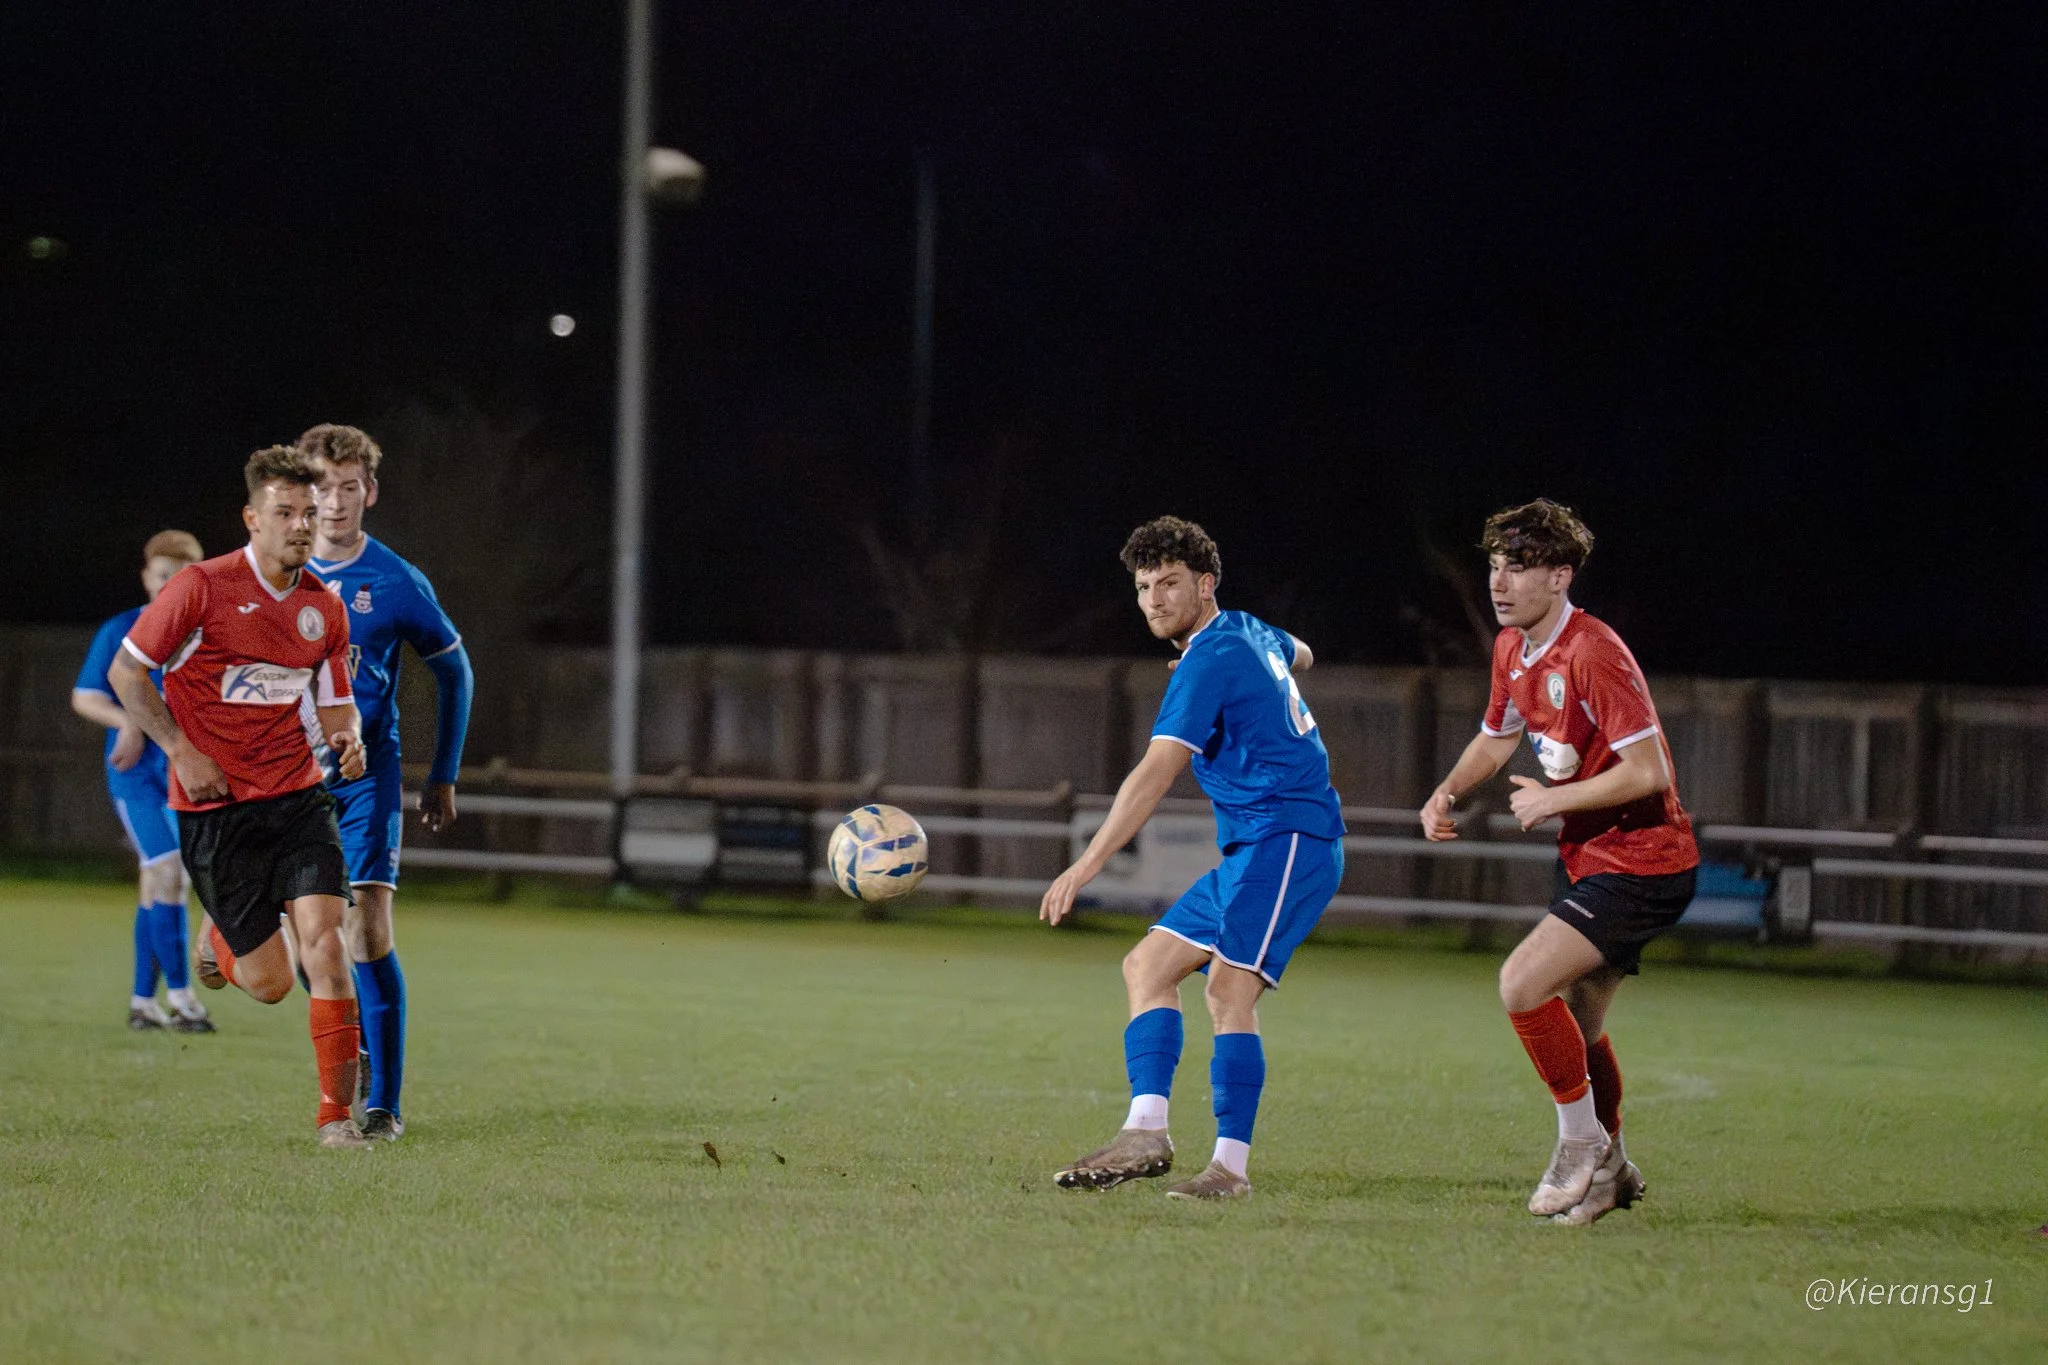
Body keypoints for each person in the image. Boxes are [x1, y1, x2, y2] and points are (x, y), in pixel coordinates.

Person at [1041, 516, 1345, 1200]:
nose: (1154, 599)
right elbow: (1303, 653)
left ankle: (1229, 1171)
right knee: (1147, 966)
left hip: (1291, 838)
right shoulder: (1246, 631)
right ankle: (1145, 1132)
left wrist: (1087, 864)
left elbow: (1155, 772)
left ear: (1206, 585)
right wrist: (1267, 669)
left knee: (1227, 991)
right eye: (1144, 586)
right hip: (1253, 848)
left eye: (1170, 583)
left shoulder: (1208, 658)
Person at [1418, 498, 1698, 1226]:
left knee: (1521, 983)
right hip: (1589, 857)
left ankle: (1582, 1143)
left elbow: (1650, 772)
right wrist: (1448, 790)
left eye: (1519, 566)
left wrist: (1554, 798)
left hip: (1644, 861)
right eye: (1494, 565)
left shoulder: (1593, 650)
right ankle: (1614, 1171)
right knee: (1582, 1022)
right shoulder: (1513, 647)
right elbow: (1496, 736)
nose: (1499, 582)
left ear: (1560, 576)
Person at [109, 444, 373, 1150]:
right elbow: (127, 674)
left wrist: (349, 737)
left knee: (327, 945)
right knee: (269, 984)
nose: (300, 525)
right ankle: (221, 935)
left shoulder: (324, 608)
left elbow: (337, 701)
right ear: (252, 518)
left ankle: (336, 1118)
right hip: (216, 808)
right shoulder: (199, 588)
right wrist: (179, 749)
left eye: (308, 513)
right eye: (285, 512)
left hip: (298, 798)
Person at [299, 424, 472, 1143]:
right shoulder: (272, 572)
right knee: (308, 939)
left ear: (369, 492)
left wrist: (444, 775)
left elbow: (455, 670)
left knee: (366, 925)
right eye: (321, 487)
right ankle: (359, 1041)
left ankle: (385, 1106)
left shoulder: (395, 580)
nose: (335, 503)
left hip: (365, 776)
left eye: (349, 487)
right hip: (286, 778)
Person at [71, 530, 214, 1033]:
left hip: (185, 772)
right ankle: (183, 999)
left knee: (160, 881)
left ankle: (142, 1002)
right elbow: (85, 696)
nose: (169, 585)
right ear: (147, 577)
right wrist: (128, 721)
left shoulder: (204, 635)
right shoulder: (122, 629)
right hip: (137, 777)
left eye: (180, 578)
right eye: (161, 576)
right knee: (169, 871)